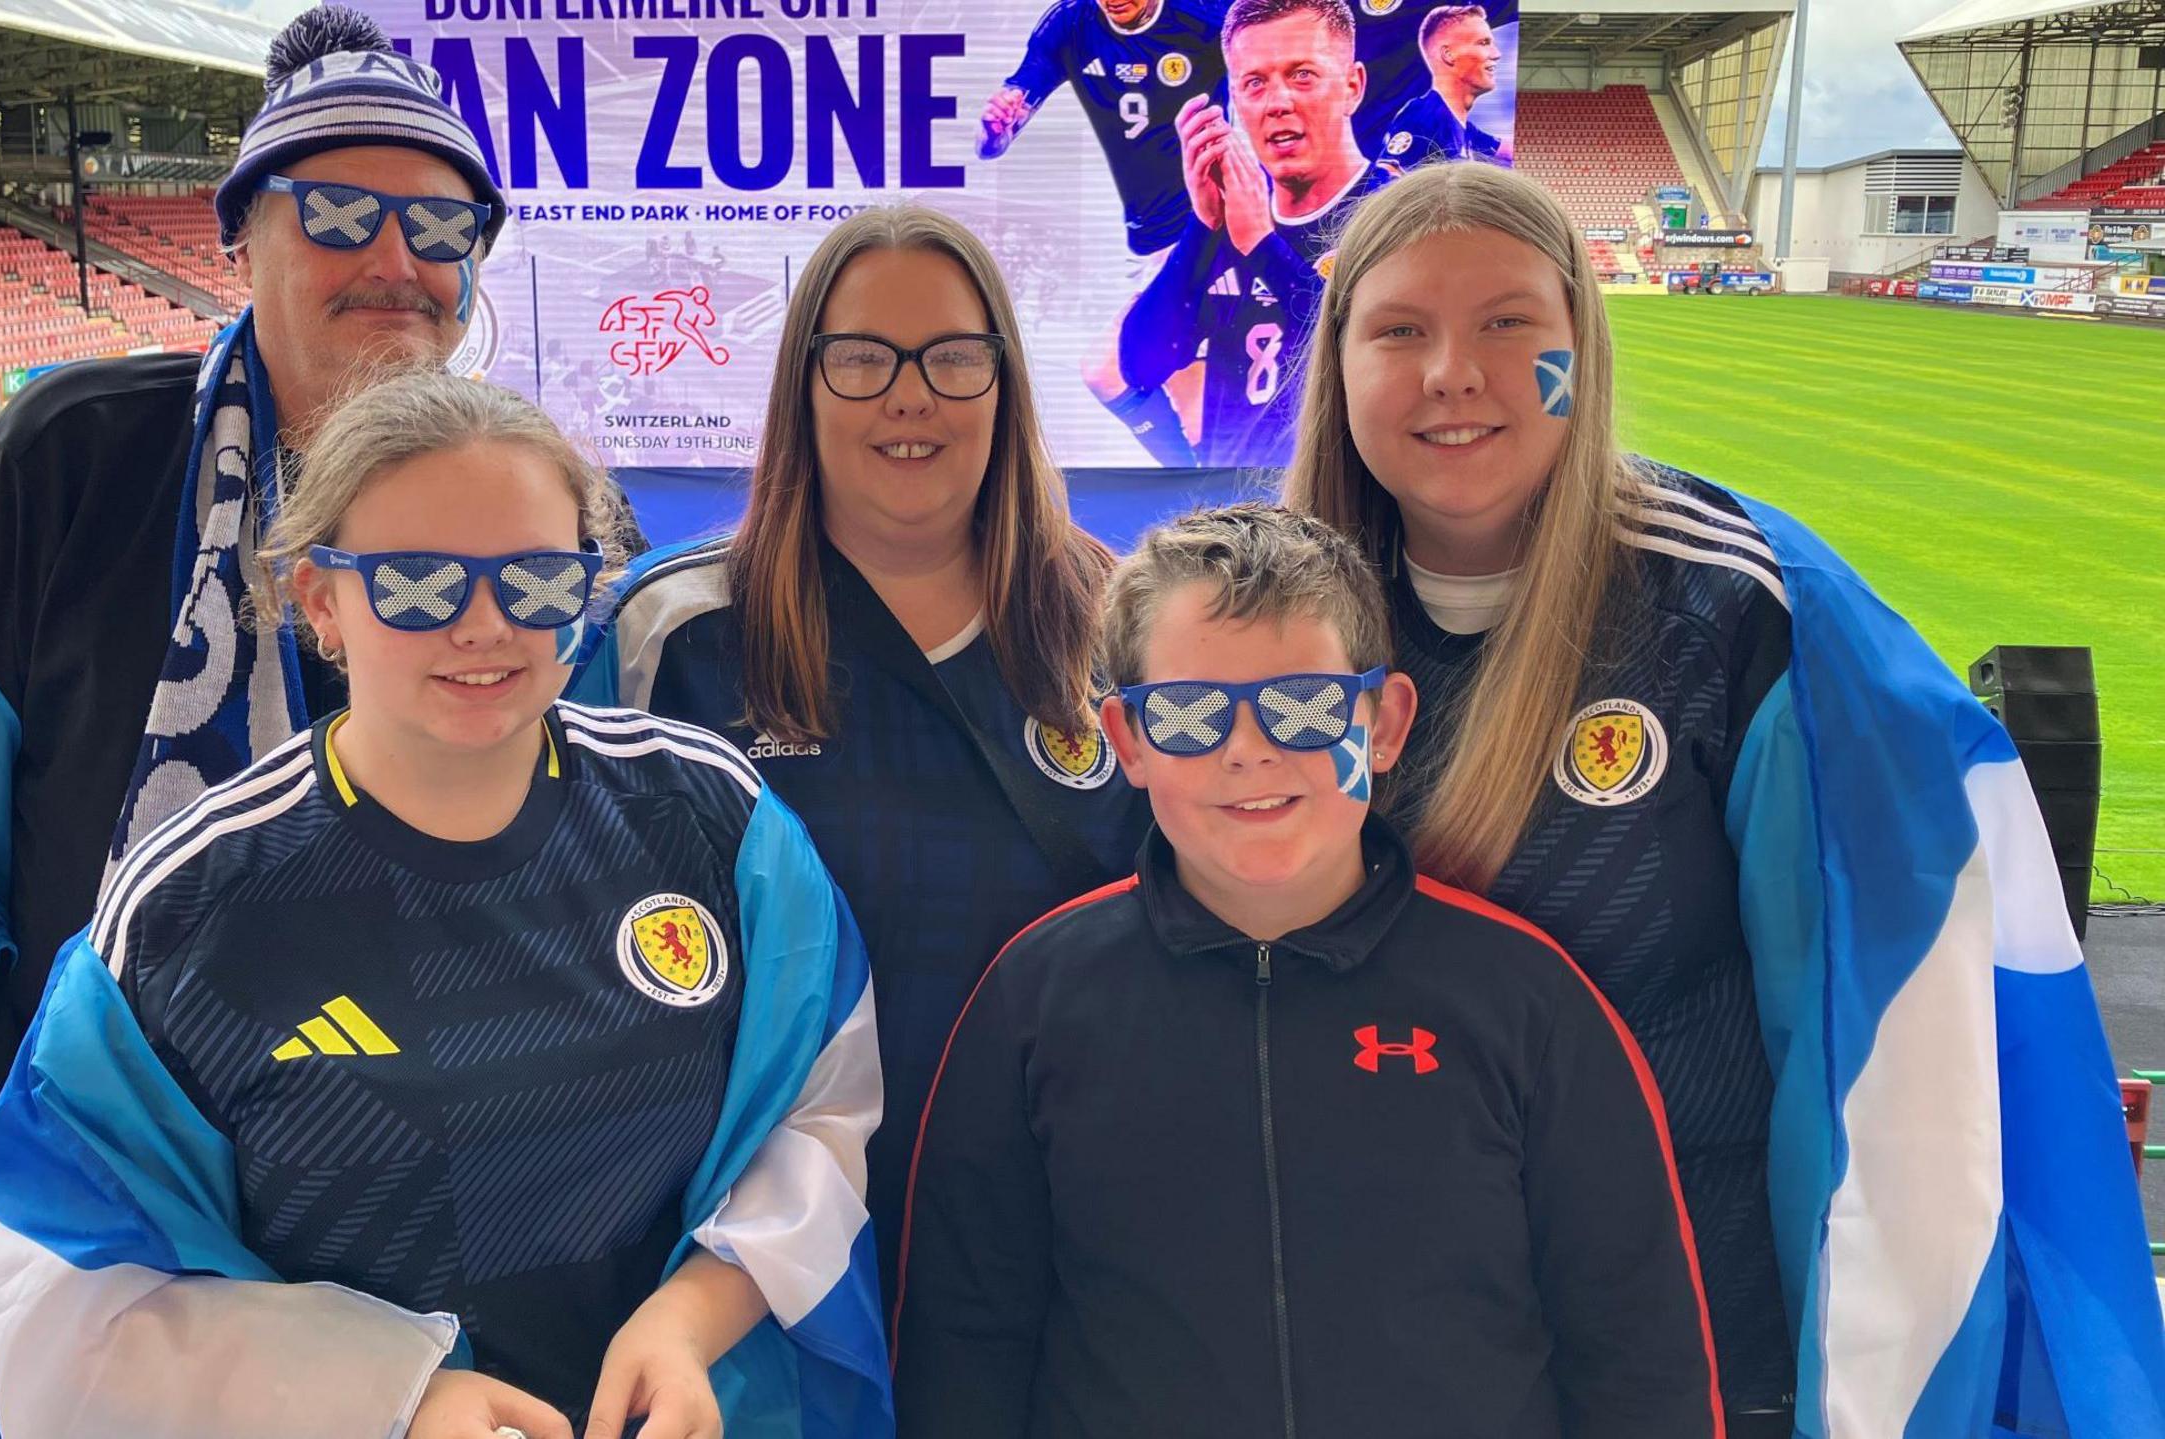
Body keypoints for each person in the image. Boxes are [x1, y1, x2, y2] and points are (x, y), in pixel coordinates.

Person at [1283, 160, 2165, 1437]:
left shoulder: (1728, 605)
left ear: (1579, 345)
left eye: (1506, 325)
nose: (1451, 373)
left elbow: (1867, 1012)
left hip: (1686, 1327)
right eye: (1401, 329)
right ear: (1341, 358)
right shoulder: (1275, 621)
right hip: (1378, 1308)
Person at [0, 9, 510, 1433]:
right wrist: (30, 1143)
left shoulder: (499, 516)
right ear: (242, 233)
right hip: (52, 1224)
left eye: (441, 223)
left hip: (382, 1246)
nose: (398, 259)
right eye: (339, 211)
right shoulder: (78, 457)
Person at [0, 371, 888, 1439]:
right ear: (319, 602)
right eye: (417, 583)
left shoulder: (713, 818)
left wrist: (687, 1320)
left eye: (536, 580)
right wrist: (391, 1396)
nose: (484, 626)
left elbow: (820, 1106)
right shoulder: (186, 910)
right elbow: (58, 1271)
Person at [895, 503, 1721, 1437]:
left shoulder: (1526, 998)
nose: (1248, 748)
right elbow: (965, 1347)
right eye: (1190, 714)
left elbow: (1638, 1351)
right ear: (1126, 738)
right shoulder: (1034, 1001)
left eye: (1302, 706)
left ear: (1384, 722)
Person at [570, 206, 1150, 1314]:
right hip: (764, 1266)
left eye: (953, 355)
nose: (910, 393)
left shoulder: (1115, 622)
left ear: (1003, 382)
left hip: (1059, 1249)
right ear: (803, 383)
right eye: (861, 357)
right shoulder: (672, 636)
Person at [1120, 0, 1390, 466]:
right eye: (1254, 83)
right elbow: (1140, 365)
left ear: (1352, 87)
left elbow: (1373, 364)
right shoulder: (1230, 214)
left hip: (1330, 516)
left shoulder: (1391, 216)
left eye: (1302, 75)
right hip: (1226, 517)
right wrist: (1203, 228)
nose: (1278, 103)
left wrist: (1262, 248)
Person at [977, 0, 1235, 464]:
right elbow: (993, 142)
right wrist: (997, 127)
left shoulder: (1205, 13)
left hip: (1209, 232)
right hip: (1153, 244)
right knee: (1169, 405)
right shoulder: (1071, 25)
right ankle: (1202, 491)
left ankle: (1200, 491)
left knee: (1113, 371)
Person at [1376, 3, 1510, 173]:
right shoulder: (1423, 115)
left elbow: (1507, 151)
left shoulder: (1465, 129)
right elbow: (1388, 173)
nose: (1496, 54)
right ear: (1448, 55)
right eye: (1484, 43)